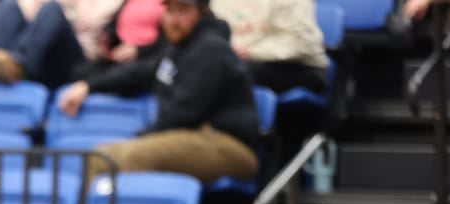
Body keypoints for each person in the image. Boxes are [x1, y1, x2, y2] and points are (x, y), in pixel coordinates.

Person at [59, 0, 259, 189]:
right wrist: (88, 85)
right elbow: (138, 73)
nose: (173, 19)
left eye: (183, 10)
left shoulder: (211, 48)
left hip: (227, 143)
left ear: (203, 13)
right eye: (170, 10)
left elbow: (184, 112)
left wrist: (146, 137)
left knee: (117, 159)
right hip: (193, 135)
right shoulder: (179, 47)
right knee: (99, 156)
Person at [210, 0, 328, 94]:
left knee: (227, 70)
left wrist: (252, 51)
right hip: (245, 60)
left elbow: (302, 44)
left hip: (298, 65)